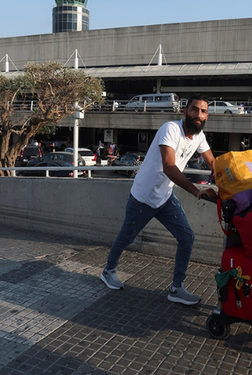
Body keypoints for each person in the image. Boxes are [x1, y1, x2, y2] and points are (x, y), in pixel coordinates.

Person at [100, 94, 216, 306]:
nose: (198, 114)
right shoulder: (171, 129)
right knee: (126, 237)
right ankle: (108, 271)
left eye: (203, 111)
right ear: (185, 111)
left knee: (186, 237)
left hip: (164, 198)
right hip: (143, 197)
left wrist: (230, 181)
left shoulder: (199, 136)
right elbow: (169, 167)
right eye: (194, 109)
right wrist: (197, 191)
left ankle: (176, 288)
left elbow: (213, 163)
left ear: (207, 116)